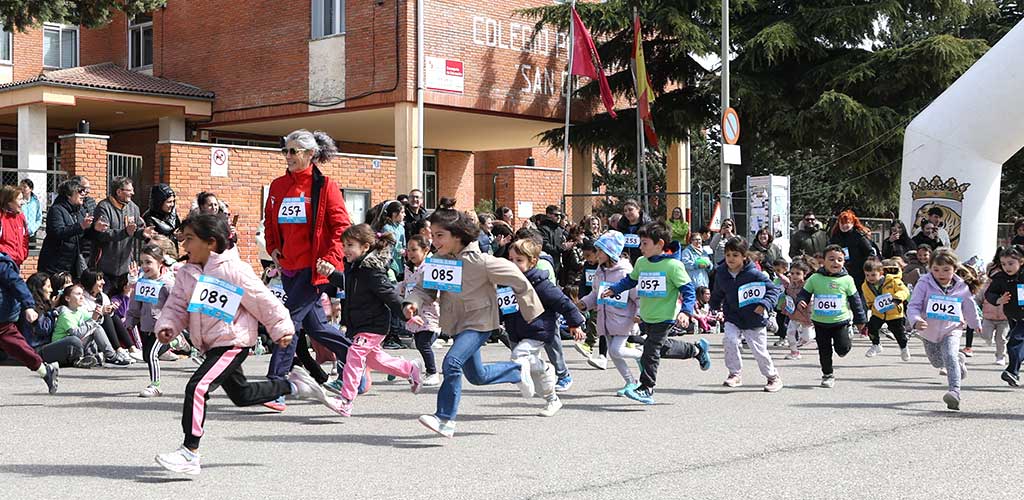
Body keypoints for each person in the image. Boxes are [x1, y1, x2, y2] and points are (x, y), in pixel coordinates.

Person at [152, 214, 342, 475]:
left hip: (233, 341)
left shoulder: (234, 270)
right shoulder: (186, 273)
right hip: (210, 344)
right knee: (241, 395)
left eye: (190, 239)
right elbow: (176, 305)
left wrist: (282, 328)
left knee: (197, 387)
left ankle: (189, 452)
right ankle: (295, 386)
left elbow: (263, 301)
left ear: (210, 242)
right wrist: (168, 326)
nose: (184, 245)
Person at [404, 209, 543, 438]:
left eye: (440, 235)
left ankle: (445, 419)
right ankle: (517, 370)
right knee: (477, 376)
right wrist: (412, 303)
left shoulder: (481, 262)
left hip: (480, 322)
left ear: (457, 235)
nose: (434, 241)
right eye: (433, 235)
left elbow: (518, 279)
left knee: (451, 363)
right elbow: (424, 289)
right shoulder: (438, 260)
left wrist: (531, 312)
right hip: (456, 323)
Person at [262, 129, 354, 412]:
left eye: (293, 151)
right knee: (317, 327)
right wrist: (273, 248)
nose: (288, 156)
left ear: (310, 154)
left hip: (313, 269)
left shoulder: (325, 186)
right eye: (285, 151)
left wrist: (330, 257)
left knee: (288, 323)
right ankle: (357, 360)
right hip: (288, 268)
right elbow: (270, 221)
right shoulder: (278, 185)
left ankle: (276, 385)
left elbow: (342, 227)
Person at [316, 224, 423, 417]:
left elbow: (389, 294)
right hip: (360, 324)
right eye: (344, 245)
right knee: (376, 360)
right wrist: (331, 274)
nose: (345, 249)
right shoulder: (354, 267)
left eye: (350, 245)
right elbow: (349, 284)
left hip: (374, 325)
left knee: (355, 353)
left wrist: (405, 310)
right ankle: (410, 369)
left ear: (365, 247)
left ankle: (346, 401)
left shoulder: (372, 271)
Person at [602, 222, 711, 405]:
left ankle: (646, 387)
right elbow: (630, 280)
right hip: (647, 316)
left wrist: (685, 312)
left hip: (665, 317)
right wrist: (615, 289)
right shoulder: (641, 262)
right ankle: (697, 350)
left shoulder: (673, 266)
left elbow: (688, 291)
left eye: (645, 243)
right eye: (640, 243)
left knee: (650, 351)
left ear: (660, 244)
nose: (640, 247)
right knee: (661, 348)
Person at [503, 238, 585, 417]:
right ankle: (552, 398)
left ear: (532, 262)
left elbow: (563, 303)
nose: (513, 264)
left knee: (518, 356)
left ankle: (529, 379)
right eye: (511, 259)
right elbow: (504, 307)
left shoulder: (541, 284)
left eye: (519, 260)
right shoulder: (509, 283)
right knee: (535, 371)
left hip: (538, 330)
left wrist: (575, 323)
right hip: (517, 331)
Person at [908, 249, 979, 410]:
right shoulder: (924, 283)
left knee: (949, 355)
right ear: (930, 268)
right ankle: (959, 360)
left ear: (954, 268)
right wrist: (916, 320)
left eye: (946, 270)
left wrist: (975, 323)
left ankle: (954, 392)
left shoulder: (961, 286)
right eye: (936, 269)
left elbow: (969, 306)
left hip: (952, 328)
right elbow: (914, 305)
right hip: (928, 330)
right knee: (937, 362)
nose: (941, 274)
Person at [711, 237, 784, 392]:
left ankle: (773, 377)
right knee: (729, 341)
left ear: (744, 256)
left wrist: (764, 304)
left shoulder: (754, 274)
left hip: (753, 318)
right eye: (728, 255)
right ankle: (734, 374)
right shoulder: (721, 272)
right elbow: (718, 292)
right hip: (732, 316)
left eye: (735, 255)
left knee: (758, 350)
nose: (731, 258)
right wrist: (714, 307)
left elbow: (773, 290)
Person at [796, 245, 866, 388]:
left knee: (842, 349)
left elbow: (856, 301)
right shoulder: (815, 278)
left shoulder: (847, 279)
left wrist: (860, 320)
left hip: (840, 321)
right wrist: (801, 301)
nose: (836, 262)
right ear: (824, 261)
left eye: (840, 260)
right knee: (824, 350)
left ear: (844, 262)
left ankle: (847, 338)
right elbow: (804, 293)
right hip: (820, 322)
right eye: (831, 259)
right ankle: (827, 374)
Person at [0, 250, 59, 393]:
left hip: (2, 314)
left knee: (15, 346)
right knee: (14, 346)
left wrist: (29, 306)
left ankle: (45, 370)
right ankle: (45, 370)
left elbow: (17, 283)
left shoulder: (1, 265)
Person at [126, 244, 176, 397]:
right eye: (142, 262)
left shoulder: (167, 284)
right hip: (146, 327)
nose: (144, 266)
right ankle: (176, 344)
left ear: (160, 263)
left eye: (148, 262)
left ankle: (155, 385)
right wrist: (131, 320)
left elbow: (177, 305)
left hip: (162, 327)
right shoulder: (141, 283)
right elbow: (135, 304)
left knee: (152, 354)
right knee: (146, 355)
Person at [92, 176, 152, 290]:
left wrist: (143, 233)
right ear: (119, 192)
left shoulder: (133, 208)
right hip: (105, 268)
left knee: (123, 298)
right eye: (129, 190)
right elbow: (103, 234)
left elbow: (136, 229)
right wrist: (125, 232)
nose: (133, 193)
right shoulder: (104, 207)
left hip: (125, 268)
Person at [38, 179, 106, 278]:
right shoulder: (56, 210)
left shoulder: (80, 211)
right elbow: (58, 232)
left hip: (72, 264)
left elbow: (84, 235)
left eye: (84, 191)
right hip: (55, 264)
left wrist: (95, 229)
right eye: (80, 191)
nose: (83, 194)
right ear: (69, 195)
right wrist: (80, 226)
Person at [53, 283, 132, 367]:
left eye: (82, 294)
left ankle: (94, 356)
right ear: (67, 298)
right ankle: (110, 356)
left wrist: (99, 314)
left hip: (74, 346)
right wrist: (93, 320)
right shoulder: (65, 314)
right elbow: (76, 334)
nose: (82, 297)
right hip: (62, 347)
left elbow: (95, 322)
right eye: (78, 294)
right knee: (88, 332)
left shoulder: (79, 310)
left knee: (96, 327)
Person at [398, 235, 442, 387]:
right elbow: (406, 285)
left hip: (429, 312)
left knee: (423, 343)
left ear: (425, 250)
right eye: (408, 250)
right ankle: (406, 367)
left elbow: (437, 288)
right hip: (414, 313)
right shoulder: (408, 268)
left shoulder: (431, 266)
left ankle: (432, 372)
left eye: (414, 250)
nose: (410, 253)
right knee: (419, 342)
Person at [21, 272, 90, 368]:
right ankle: (78, 360)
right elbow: (43, 329)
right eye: (48, 287)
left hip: (48, 346)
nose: (51, 290)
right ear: (39, 288)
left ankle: (83, 358)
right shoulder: (32, 307)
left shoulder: (44, 304)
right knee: (73, 340)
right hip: (36, 349)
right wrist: (53, 311)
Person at [987, 246, 1024, 386]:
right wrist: (998, 300)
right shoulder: (1000, 278)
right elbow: (990, 293)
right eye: (1003, 264)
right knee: (1018, 343)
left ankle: (1012, 372)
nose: (1007, 267)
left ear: (1021, 261)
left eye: (1010, 263)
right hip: (1014, 315)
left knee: (1015, 342)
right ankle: (1014, 373)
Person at [861, 259, 911, 360]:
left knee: (898, 332)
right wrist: (871, 306)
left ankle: (903, 347)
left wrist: (897, 298)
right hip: (878, 312)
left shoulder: (893, 281)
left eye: (873, 275)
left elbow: (904, 291)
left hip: (894, 312)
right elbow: (868, 298)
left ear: (881, 273)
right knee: (872, 327)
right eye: (867, 275)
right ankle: (876, 345)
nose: (870, 278)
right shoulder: (865, 286)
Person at [828, 210, 876, 293]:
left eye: (847, 223)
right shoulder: (835, 237)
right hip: (841, 270)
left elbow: (870, 252)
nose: (844, 225)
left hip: (858, 272)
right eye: (842, 223)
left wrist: (866, 267)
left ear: (853, 223)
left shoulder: (859, 236)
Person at [781, 261, 814, 360]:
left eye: (798, 273)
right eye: (792, 273)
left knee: (807, 337)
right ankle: (794, 352)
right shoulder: (790, 285)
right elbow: (789, 297)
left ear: (805, 274)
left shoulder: (808, 285)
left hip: (806, 314)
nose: (794, 276)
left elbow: (811, 300)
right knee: (790, 332)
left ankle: (806, 335)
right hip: (794, 314)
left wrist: (809, 314)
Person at [979, 257, 1009, 366]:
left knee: (1001, 339)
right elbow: (978, 299)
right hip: (988, 317)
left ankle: (1000, 356)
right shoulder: (985, 286)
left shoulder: (1008, 284)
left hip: (1004, 318)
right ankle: (989, 338)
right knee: (985, 335)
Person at [371, 199, 407, 281]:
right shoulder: (386, 228)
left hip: (400, 262)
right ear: (394, 213)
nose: (404, 215)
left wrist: (404, 251)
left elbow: (403, 244)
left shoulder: (401, 228)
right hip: (389, 262)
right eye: (402, 212)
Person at [143, 184, 181, 248]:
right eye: (169, 202)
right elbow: (151, 241)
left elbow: (179, 231)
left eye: (173, 201)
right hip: (158, 252)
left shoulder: (172, 214)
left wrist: (180, 234)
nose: (172, 204)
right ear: (159, 202)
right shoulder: (149, 218)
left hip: (172, 251)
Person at [615, 199, 652, 264]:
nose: (627, 213)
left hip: (644, 261)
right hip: (625, 262)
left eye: (630, 209)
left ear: (638, 209)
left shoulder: (648, 226)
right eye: (625, 211)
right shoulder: (621, 226)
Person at [0, 185, 29, 266]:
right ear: (9, 202)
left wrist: (23, 253)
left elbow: (25, 237)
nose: (23, 202)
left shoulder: (21, 217)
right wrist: (5, 255)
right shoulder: (1, 218)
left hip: (16, 263)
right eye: (19, 199)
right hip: (3, 264)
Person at [537, 205, 567, 276]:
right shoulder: (543, 228)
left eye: (560, 215)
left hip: (558, 263)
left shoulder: (559, 229)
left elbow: (561, 244)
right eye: (556, 215)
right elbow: (545, 246)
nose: (559, 217)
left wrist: (567, 246)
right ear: (548, 215)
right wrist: (561, 248)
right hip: (546, 262)